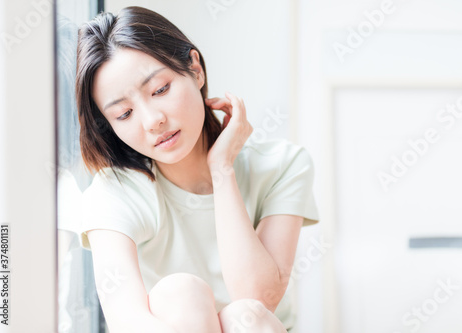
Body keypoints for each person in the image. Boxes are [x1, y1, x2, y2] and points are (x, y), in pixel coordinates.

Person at [75, 5, 320, 333]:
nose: (152, 120)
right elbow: (126, 319)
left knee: (242, 316)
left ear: (195, 69)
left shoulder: (282, 165)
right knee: (180, 294)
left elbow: (259, 298)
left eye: (160, 90)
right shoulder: (114, 192)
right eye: (124, 114)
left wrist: (222, 170)